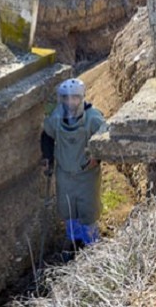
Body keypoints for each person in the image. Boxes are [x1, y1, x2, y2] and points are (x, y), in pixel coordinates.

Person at [41, 78, 106, 256]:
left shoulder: (93, 118)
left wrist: (96, 158)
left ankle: (92, 245)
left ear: (82, 97)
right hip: (64, 174)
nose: (70, 102)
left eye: (75, 98)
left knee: (88, 209)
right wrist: (47, 157)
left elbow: (104, 139)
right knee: (68, 209)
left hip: (86, 175)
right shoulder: (56, 117)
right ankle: (73, 241)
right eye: (66, 98)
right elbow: (47, 136)